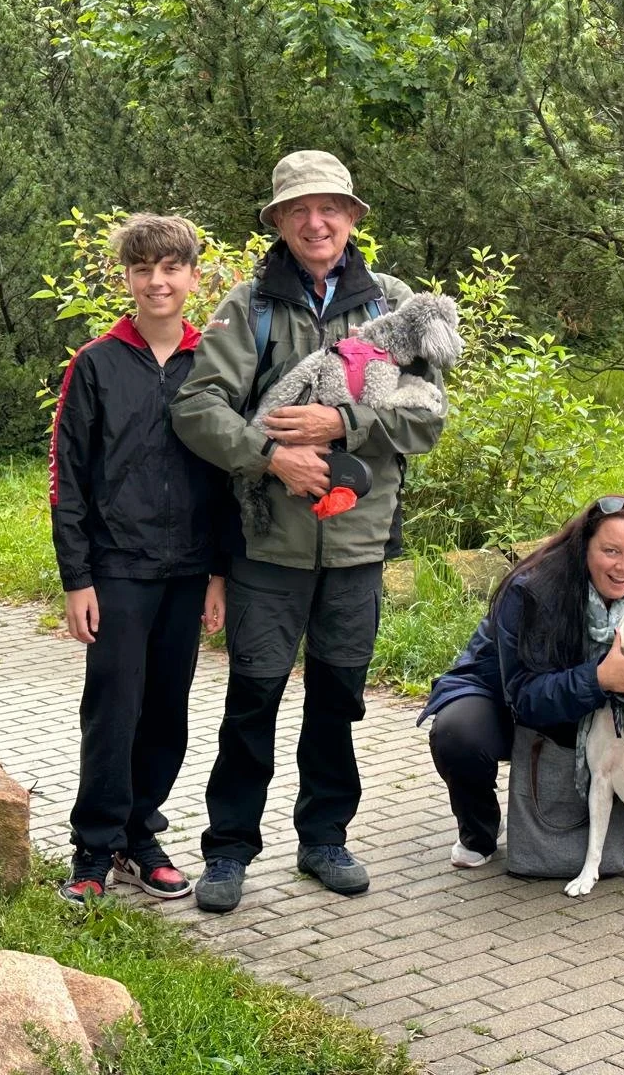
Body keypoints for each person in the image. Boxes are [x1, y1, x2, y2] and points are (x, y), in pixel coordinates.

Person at [171, 150, 447, 913]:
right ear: (279, 222)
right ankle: (228, 851)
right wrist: (272, 457)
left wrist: (342, 421)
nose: (315, 221)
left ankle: (325, 838)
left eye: (329, 207)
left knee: (339, 698)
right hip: (267, 546)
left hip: (358, 545)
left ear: (353, 217)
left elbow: (428, 415)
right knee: (253, 697)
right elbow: (198, 408)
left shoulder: (393, 305)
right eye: (299, 209)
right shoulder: (250, 305)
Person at [49, 213, 229, 904]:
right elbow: (68, 476)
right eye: (143, 269)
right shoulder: (95, 364)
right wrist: (78, 579)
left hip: (188, 571)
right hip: (117, 569)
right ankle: (93, 849)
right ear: (126, 278)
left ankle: (139, 834)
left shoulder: (211, 364)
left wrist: (218, 572)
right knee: (113, 709)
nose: (158, 281)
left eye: (171, 267)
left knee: (167, 712)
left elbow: (224, 477)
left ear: (191, 275)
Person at [420, 496, 624, 868]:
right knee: (459, 733)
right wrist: (601, 678)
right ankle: (479, 831)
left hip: (602, 708)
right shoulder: (533, 590)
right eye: (611, 551)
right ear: (585, 545)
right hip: (507, 697)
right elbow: (525, 697)